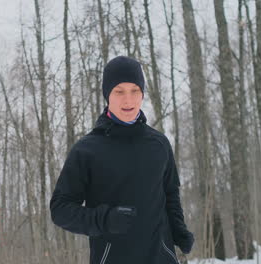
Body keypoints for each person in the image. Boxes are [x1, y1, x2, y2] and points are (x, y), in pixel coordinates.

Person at [50, 56, 194, 264]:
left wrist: (178, 229)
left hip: (161, 257)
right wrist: (104, 220)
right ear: (108, 95)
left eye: (135, 90)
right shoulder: (87, 150)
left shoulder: (159, 144)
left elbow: (170, 193)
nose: (128, 99)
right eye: (119, 91)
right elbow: (60, 209)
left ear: (142, 94)